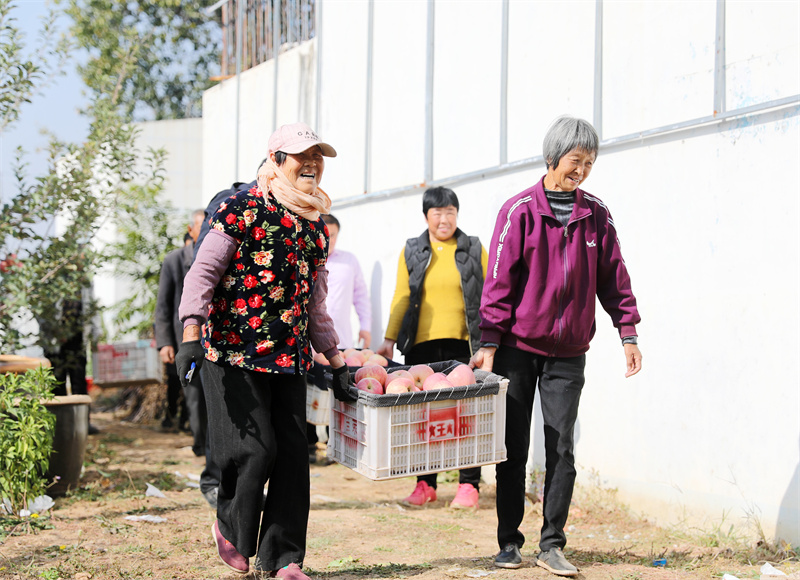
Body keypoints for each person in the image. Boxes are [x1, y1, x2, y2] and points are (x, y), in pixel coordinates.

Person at [176, 122, 353, 579]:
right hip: (234, 354)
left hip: (289, 360)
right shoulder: (241, 209)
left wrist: (336, 360)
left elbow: (315, 305)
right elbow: (202, 273)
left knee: (294, 456)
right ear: (275, 159)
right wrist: (190, 333)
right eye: (302, 156)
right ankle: (232, 529)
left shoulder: (314, 227)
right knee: (256, 450)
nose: (312, 164)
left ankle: (284, 559)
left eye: (318, 156)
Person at [470, 116, 643, 577]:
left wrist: (627, 332)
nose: (581, 170)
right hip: (518, 348)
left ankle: (552, 544)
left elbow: (614, 277)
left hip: (569, 351)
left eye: (589, 163)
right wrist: (489, 342)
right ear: (553, 157)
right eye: (575, 161)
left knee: (561, 446)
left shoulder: (596, 214)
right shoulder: (520, 210)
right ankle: (509, 542)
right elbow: (498, 280)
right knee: (513, 446)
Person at [376, 186, 487, 510]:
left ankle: (469, 486)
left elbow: (489, 294)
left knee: (467, 416)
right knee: (424, 418)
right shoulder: (413, 250)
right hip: (421, 347)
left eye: (450, 211)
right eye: (437, 212)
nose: (444, 218)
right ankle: (426, 485)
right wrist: (389, 339)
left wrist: (490, 341)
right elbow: (401, 297)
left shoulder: (473, 247)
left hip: (464, 344)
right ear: (426, 216)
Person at [306, 213, 371, 464]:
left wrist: (366, 326)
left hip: (340, 340)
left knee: (337, 389)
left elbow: (361, 296)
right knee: (310, 390)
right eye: (324, 235)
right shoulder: (307, 259)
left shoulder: (348, 262)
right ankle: (310, 443)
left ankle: (337, 443)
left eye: (332, 235)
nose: (328, 240)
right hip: (310, 341)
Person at [155, 216, 205, 436]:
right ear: (190, 229)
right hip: (184, 340)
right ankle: (200, 446)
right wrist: (164, 342)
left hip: (212, 341)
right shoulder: (174, 260)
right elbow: (163, 305)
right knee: (192, 394)